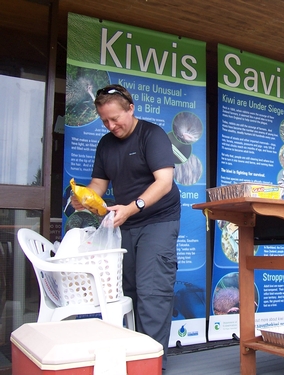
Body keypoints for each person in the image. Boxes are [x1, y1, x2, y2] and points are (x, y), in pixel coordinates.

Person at [71, 84, 180, 372]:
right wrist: (84, 197)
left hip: (158, 220)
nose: (111, 125)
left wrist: (133, 207)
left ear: (131, 108)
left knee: (152, 291)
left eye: (115, 118)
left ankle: (152, 365)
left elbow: (164, 182)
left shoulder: (151, 135)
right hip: (125, 223)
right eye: (104, 120)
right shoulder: (106, 144)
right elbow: (98, 185)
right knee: (127, 290)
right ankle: (134, 358)